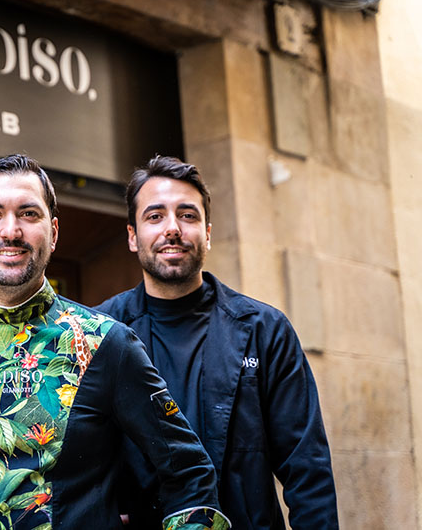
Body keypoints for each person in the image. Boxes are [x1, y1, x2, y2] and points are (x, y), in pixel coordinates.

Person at [0, 154, 229, 530]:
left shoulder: (105, 343)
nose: (11, 231)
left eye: (29, 214)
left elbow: (189, 471)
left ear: (54, 232)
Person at [96, 155, 339, 529]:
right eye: (155, 216)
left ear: (207, 232)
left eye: (187, 215)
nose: (172, 228)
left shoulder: (265, 330)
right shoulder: (96, 332)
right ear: (133, 236)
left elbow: (308, 470)